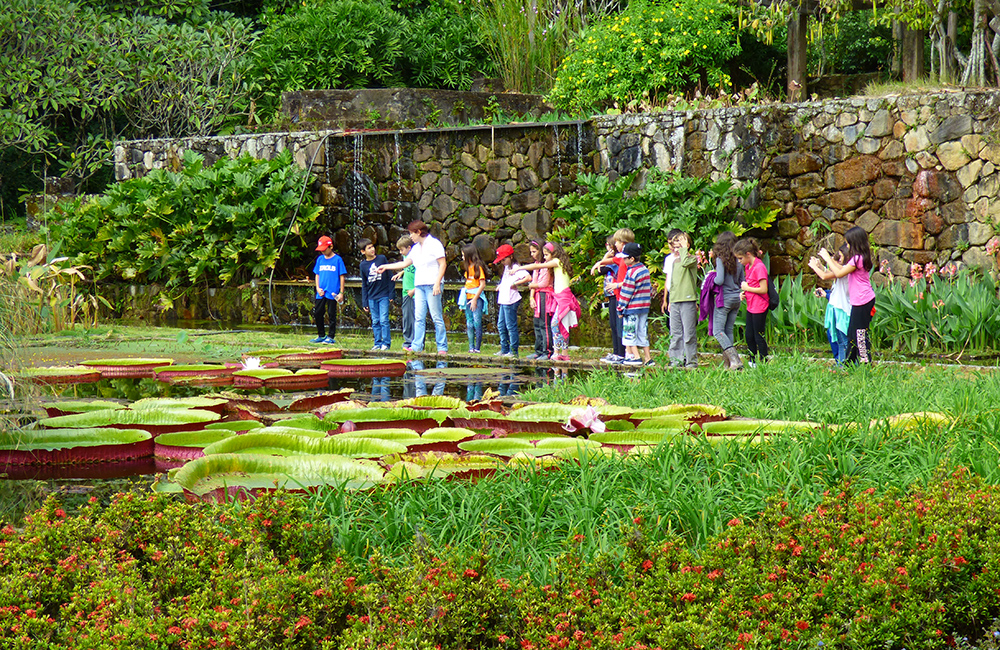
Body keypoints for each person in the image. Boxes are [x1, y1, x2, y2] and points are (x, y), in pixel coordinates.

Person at [377, 221, 448, 355]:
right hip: (419, 285)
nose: (410, 237)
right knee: (419, 317)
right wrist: (386, 267)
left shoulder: (434, 244)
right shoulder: (415, 248)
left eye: (411, 234)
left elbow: (442, 264)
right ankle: (416, 346)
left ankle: (442, 347)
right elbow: (405, 263)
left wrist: (437, 283)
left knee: (436, 316)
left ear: (418, 232)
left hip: (432, 284)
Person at [818, 226, 875, 364]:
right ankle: (850, 363)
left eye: (848, 243)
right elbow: (841, 269)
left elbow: (839, 273)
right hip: (858, 301)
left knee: (859, 334)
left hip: (863, 300)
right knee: (852, 334)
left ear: (855, 242)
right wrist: (825, 264)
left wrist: (827, 258)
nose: (847, 245)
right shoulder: (857, 258)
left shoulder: (858, 259)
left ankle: (865, 362)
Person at [521, 242, 580, 362]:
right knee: (559, 325)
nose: (545, 258)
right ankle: (561, 353)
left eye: (547, 255)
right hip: (559, 297)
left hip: (564, 298)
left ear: (554, 254)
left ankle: (559, 352)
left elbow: (536, 267)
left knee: (555, 324)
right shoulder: (557, 264)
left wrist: (520, 268)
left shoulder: (557, 261)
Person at [593, 229, 632, 364]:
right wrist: (599, 263)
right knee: (614, 324)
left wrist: (617, 285)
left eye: (616, 242)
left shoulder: (627, 258)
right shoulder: (619, 258)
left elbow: (630, 278)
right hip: (614, 295)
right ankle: (617, 352)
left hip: (622, 295)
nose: (614, 245)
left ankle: (623, 353)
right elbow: (602, 267)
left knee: (621, 325)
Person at [809, 244, 851, 364]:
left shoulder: (845, 270)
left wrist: (818, 265)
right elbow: (828, 273)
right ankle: (841, 364)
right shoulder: (841, 271)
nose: (838, 260)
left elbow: (824, 276)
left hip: (843, 310)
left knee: (843, 341)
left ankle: (844, 365)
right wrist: (820, 266)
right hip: (836, 308)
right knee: (838, 340)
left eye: (841, 257)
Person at [711, 231, 745, 371]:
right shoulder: (738, 260)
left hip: (724, 299)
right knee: (728, 330)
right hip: (736, 298)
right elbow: (742, 280)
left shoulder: (721, 259)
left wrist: (710, 278)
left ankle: (735, 359)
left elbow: (719, 280)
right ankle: (728, 364)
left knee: (718, 331)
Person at [616, 242, 654, 366]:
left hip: (632, 309)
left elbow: (627, 292)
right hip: (643, 308)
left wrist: (620, 308)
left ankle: (636, 357)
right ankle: (648, 359)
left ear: (631, 259)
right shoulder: (645, 270)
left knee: (629, 333)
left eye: (625, 258)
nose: (623, 259)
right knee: (643, 333)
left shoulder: (632, 272)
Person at [492, 243, 530, 358]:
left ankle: (513, 352)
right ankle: (504, 349)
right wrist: (501, 285)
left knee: (510, 326)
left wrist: (515, 284)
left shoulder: (516, 268)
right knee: (501, 325)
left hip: (511, 300)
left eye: (504, 260)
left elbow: (528, 277)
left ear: (511, 257)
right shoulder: (507, 267)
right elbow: (506, 280)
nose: (502, 263)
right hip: (504, 300)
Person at [667, 231, 699, 369]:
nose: (676, 249)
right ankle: (676, 360)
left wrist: (684, 247)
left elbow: (686, 262)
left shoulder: (692, 259)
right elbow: (673, 283)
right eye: (675, 245)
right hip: (675, 300)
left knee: (689, 333)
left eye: (679, 245)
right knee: (675, 333)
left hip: (688, 300)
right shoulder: (674, 261)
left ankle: (691, 361)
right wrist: (670, 300)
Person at [735, 237, 769, 365]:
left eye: (740, 258)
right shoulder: (749, 266)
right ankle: (752, 360)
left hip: (760, 306)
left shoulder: (759, 267)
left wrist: (747, 288)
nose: (739, 261)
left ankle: (763, 360)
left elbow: (763, 289)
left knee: (758, 335)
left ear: (748, 254)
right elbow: (752, 285)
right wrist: (745, 292)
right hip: (751, 305)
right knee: (749, 335)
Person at [310, 235, 346, 345]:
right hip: (321, 292)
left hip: (333, 292)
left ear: (331, 247)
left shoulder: (338, 260)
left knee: (331, 313)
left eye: (325, 249)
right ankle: (321, 335)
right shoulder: (320, 259)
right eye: (321, 250)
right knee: (318, 313)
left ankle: (331, 336)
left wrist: (341, 292)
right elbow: (317, 274)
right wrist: (317, 288)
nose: (323, 252)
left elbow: (342, 276)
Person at [359, 238, 394, 351]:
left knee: (384, 320)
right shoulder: (363, 265)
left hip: (383, 294)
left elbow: (390, 276)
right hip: (371, 297)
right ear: (363, 251)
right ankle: (377, 342)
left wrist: (391, 293)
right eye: (369, 248)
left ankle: (386, 343)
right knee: (375, 321)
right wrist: (364, 301)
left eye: (372, 246)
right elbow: (364, 284)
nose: (372, 249)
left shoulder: (381, 258)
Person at [526, 240, 554, 360]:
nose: (532, 254)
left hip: (545, 295)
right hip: (537, 295)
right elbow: (534, 281)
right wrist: (531, 297)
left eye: (534, 251)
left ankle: (547, 351)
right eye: (531, 252)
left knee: (544, 324)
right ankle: (538, 350)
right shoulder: (537, 265)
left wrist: (532, 286)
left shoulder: (547, 265)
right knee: (537, 323)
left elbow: (543, 283)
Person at [461, 244, 488, 354]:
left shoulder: (478, 267)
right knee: (469, 323)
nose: (462, 257)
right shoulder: (467, 268)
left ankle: (477, 348)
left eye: (463, 255)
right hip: (467, 298)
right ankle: (470, 347)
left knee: (477, 322)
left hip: (476, 298)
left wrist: (475, 299)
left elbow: (482, 284)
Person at [391, 236, 416, 352]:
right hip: (406, 291)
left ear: (409, 248)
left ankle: (416, 342)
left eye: (402, 250)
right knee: (406, 317)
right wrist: (401, 272)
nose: (401, 252)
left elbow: (423, 274)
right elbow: (408, 268)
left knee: (416, 318)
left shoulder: (417, 257)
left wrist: (414, 290)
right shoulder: (406, 257)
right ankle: (407, 341)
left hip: (415, 292)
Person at [660, 228, 684, 316]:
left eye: (672, 243)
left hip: (681, 293)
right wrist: (665, 299)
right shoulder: (668, 259)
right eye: (669, 243)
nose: (671, 246)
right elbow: (667, 278)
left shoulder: (684, 258)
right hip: (670, 293)